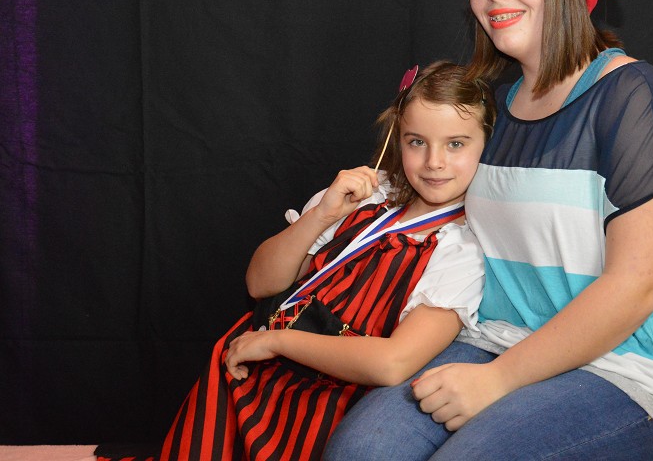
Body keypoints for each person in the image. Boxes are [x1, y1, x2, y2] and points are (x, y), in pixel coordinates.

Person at [323, 0, 653, 461]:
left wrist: (499, 380)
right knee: (359, 453)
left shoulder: (633, 97)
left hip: (626, 373)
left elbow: (640, 285)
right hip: (492, 342)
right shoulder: (494, 108)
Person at [97, 61, 495, 461]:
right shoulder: (367, 197)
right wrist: (321, 215)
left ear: (488, 145)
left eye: (456, 144)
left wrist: (277, 341)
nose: (434, 162)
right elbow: (260, 283)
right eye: (417, 142)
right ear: (397, 138)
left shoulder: (462, 249)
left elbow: (393, 363)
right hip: (253, 379)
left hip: (327, 402)